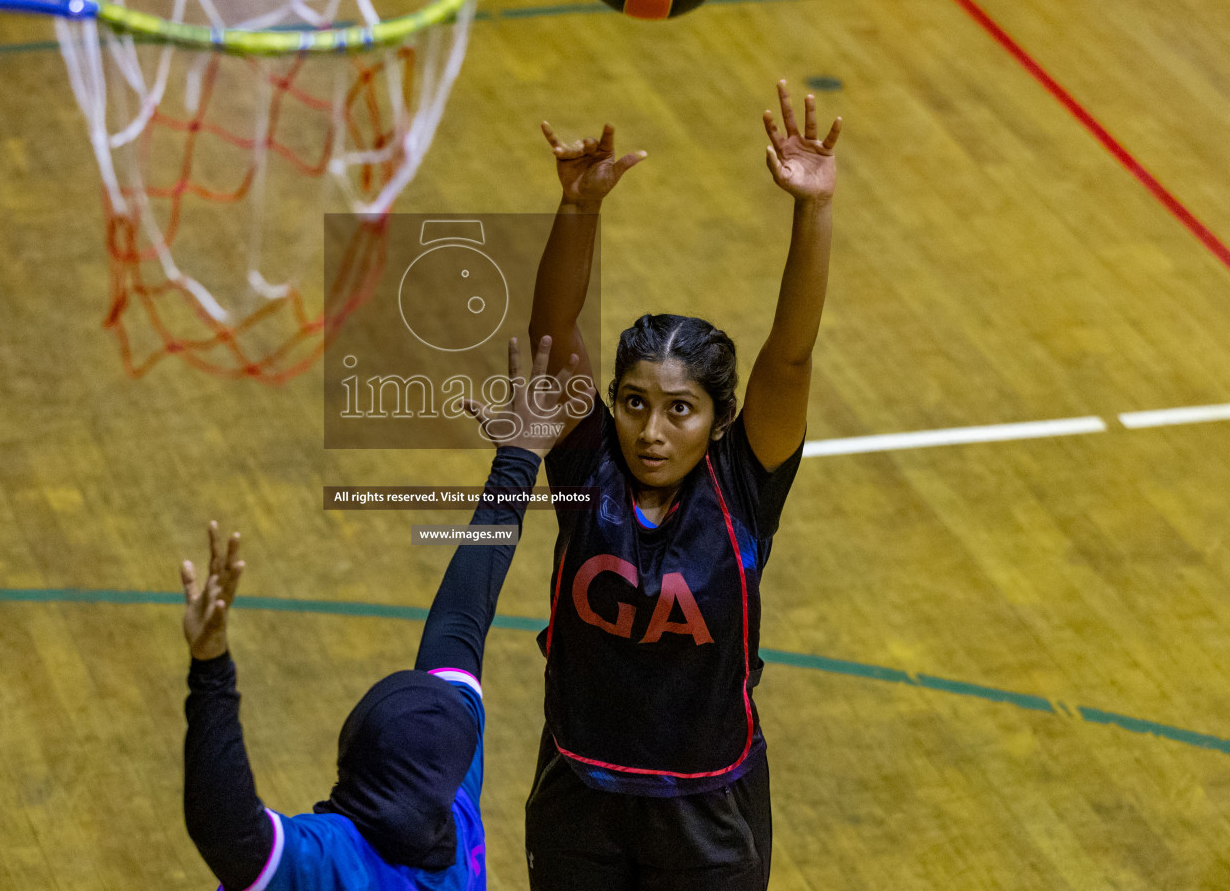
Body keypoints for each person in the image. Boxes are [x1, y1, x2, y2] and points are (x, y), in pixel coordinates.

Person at [522, 80, 843, 890]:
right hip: (580, 794)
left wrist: (812, 210)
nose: (652, 431)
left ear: (719, 420)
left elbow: (792, 357)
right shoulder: (585, 460)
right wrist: (578, 209)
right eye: (634, 403)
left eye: (679, 411)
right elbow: (552, 336)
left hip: (706, 808)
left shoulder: (743, 482)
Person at [180, 335, 583, 891]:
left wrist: (211, 670)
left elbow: (225, 829)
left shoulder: (331, 863)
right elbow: (462, 620)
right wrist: (516, 460)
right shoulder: (454, 822)